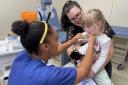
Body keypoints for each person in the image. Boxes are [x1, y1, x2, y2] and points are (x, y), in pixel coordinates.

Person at [8, 20, 96, 85]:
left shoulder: (23, 55)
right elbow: (84, 72)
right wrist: (91, 43)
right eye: (56, 40)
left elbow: (54, 51)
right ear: (45, 46)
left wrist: (71, 42)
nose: (58, 43)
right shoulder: (48, 75)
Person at [61, 0, 115, 78]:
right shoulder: (71, 28)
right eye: (73, 19)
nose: (77, 19)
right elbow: (70, 49)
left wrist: (94, 70)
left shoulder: (96, 20)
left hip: (99, 61)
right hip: (82, 59)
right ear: (69, 20)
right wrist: (79, 63)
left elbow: (110, 51)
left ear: (81, 10)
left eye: (78, 14)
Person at [77, 9, 113, 85]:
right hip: (84, 61)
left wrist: (93, 70)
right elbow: (86, 39)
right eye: (84, 26)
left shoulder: (106, 40)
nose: (85, 29)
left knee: (107, 83)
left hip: (96, 65)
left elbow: (103, 57)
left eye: (88, 26)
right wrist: (81, 40)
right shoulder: (89, 33)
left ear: (99, 24)